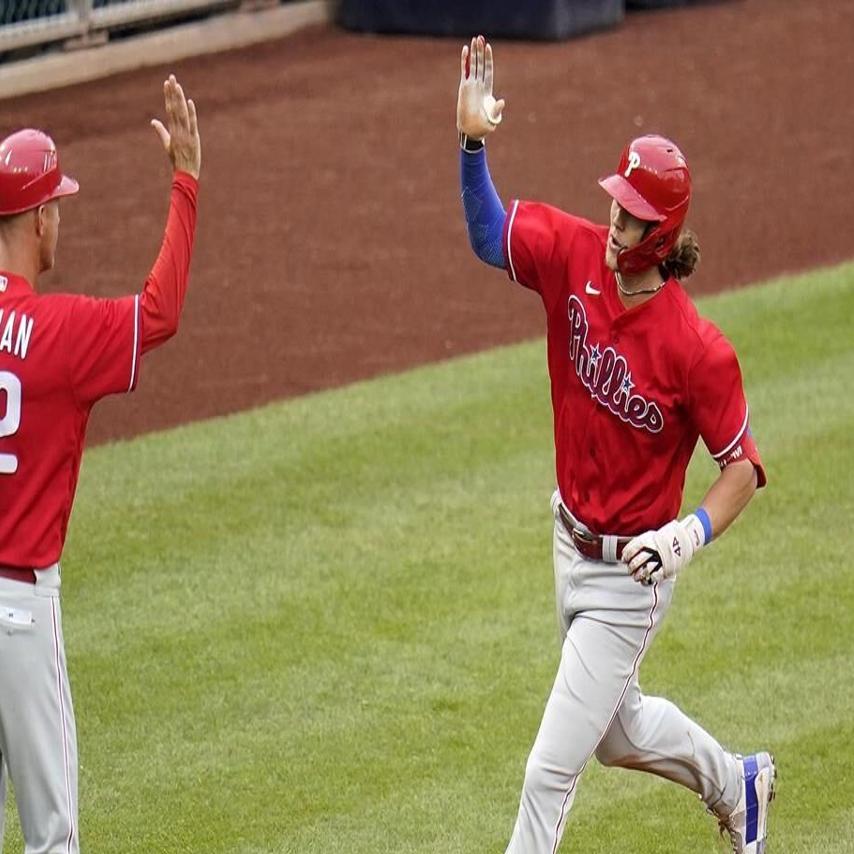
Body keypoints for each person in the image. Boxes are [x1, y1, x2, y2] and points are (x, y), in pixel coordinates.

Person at [456, 36, 775, 853]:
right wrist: (471, 145)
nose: (613, 217)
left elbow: (741, 468)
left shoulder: (695, 349)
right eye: (614, 200)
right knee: (615, 729)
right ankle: (736, 782)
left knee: (548, 772)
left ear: (660, 230)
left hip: (632, 577)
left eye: (632, 210)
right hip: (566, 543)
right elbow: (491, 236)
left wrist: (685, 535)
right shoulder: (571, 256)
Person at [0, 74, 200, 852]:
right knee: (52, 839)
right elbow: (161, 311)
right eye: (60, 209)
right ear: (40, 216)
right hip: (20, 615)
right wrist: (186, 182)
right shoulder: (60, 334)